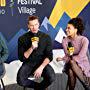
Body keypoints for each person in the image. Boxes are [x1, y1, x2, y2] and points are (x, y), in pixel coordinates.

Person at [17, 15, 55, 90]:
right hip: (28, 63)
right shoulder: (22, 38)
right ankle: (39, 87)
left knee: (52, 77)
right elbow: (22, 58)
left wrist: (41, 67)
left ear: (39, 24)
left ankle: (39, 87)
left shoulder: (46, 37)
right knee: (20, 80)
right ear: (28, 25)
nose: (34, 27)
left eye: (36, 25)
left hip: (42, 63)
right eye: (31, 25)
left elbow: (49, 56)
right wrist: (31, 48)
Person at [57, 18, 90, 90]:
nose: (66, 30)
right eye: (66, 28)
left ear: (76, 29)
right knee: (71, 63)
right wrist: (64, 58)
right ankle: (87, 86)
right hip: (70, 63)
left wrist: (66, 58)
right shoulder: (65, 40)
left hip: (83, 64)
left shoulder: (84, 40)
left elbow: (81, 56)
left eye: (69, 28)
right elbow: (68, 55)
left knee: (71, 71)